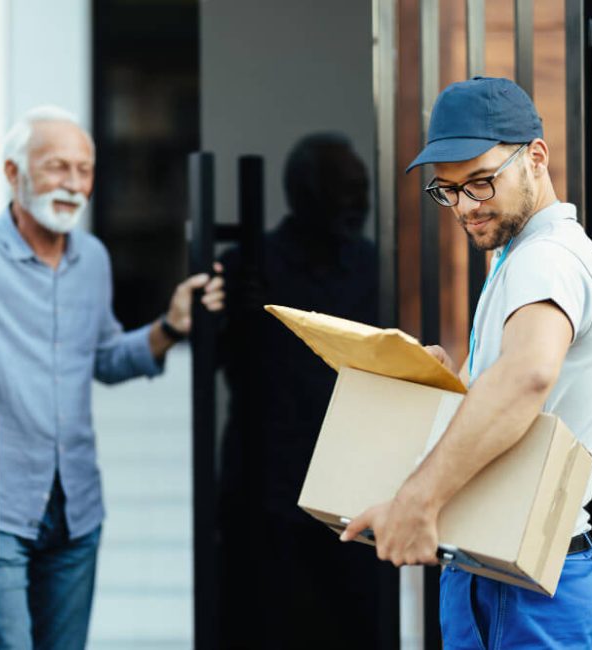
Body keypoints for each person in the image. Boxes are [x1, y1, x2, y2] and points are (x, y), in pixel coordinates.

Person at [0, 106, 224, 650]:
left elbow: (103, 358)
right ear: (11, 173)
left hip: (76, 512)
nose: (74, 184)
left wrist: (170, 326)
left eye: (85, 170)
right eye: (57, 167)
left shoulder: (92, 258)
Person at [341, 76, 592, 648]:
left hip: (528, 589)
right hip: (498, 574)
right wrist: (443, 379)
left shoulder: (547, 258)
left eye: (481, 184)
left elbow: (526, 377)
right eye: (448, 191)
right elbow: (503, 382)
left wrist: (418, 500)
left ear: (536, 157)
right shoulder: (519, 259)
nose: (465, 207)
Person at [217, 133, 386, 649]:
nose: (359, 203)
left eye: (363, 190)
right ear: (305, 195)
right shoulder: (249, 265)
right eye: (345, 190)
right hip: (268, 487)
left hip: (353, 490)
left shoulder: (373, 265)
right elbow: (224, 363)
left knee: (356, 628)